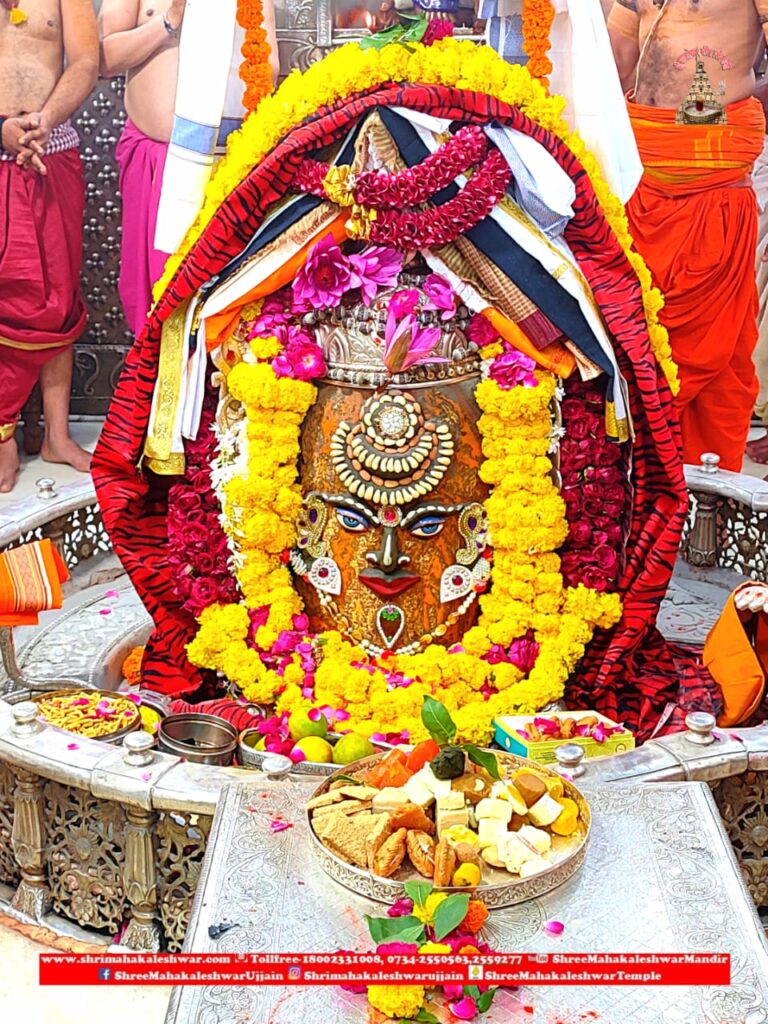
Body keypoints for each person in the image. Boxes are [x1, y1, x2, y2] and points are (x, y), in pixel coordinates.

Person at [607, 1, 767, 472]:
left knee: (710, 358)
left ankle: (703, 496)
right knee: (633, 338)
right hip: (639, 174)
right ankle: (632, 486)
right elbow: (616, 57)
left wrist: (730, 106)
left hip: (711, 184)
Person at [0, 0, 99, 492]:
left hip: (49, 149)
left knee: (57, 295)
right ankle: (3, 439)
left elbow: (85, 60)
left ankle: (56, 435)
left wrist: (43, 119)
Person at [98, 0, 187, 337]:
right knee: (154, 296)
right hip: (151, 160)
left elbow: (266, 65)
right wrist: (168, 21)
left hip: (225, 160)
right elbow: (105, 58)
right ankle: (153, 387)